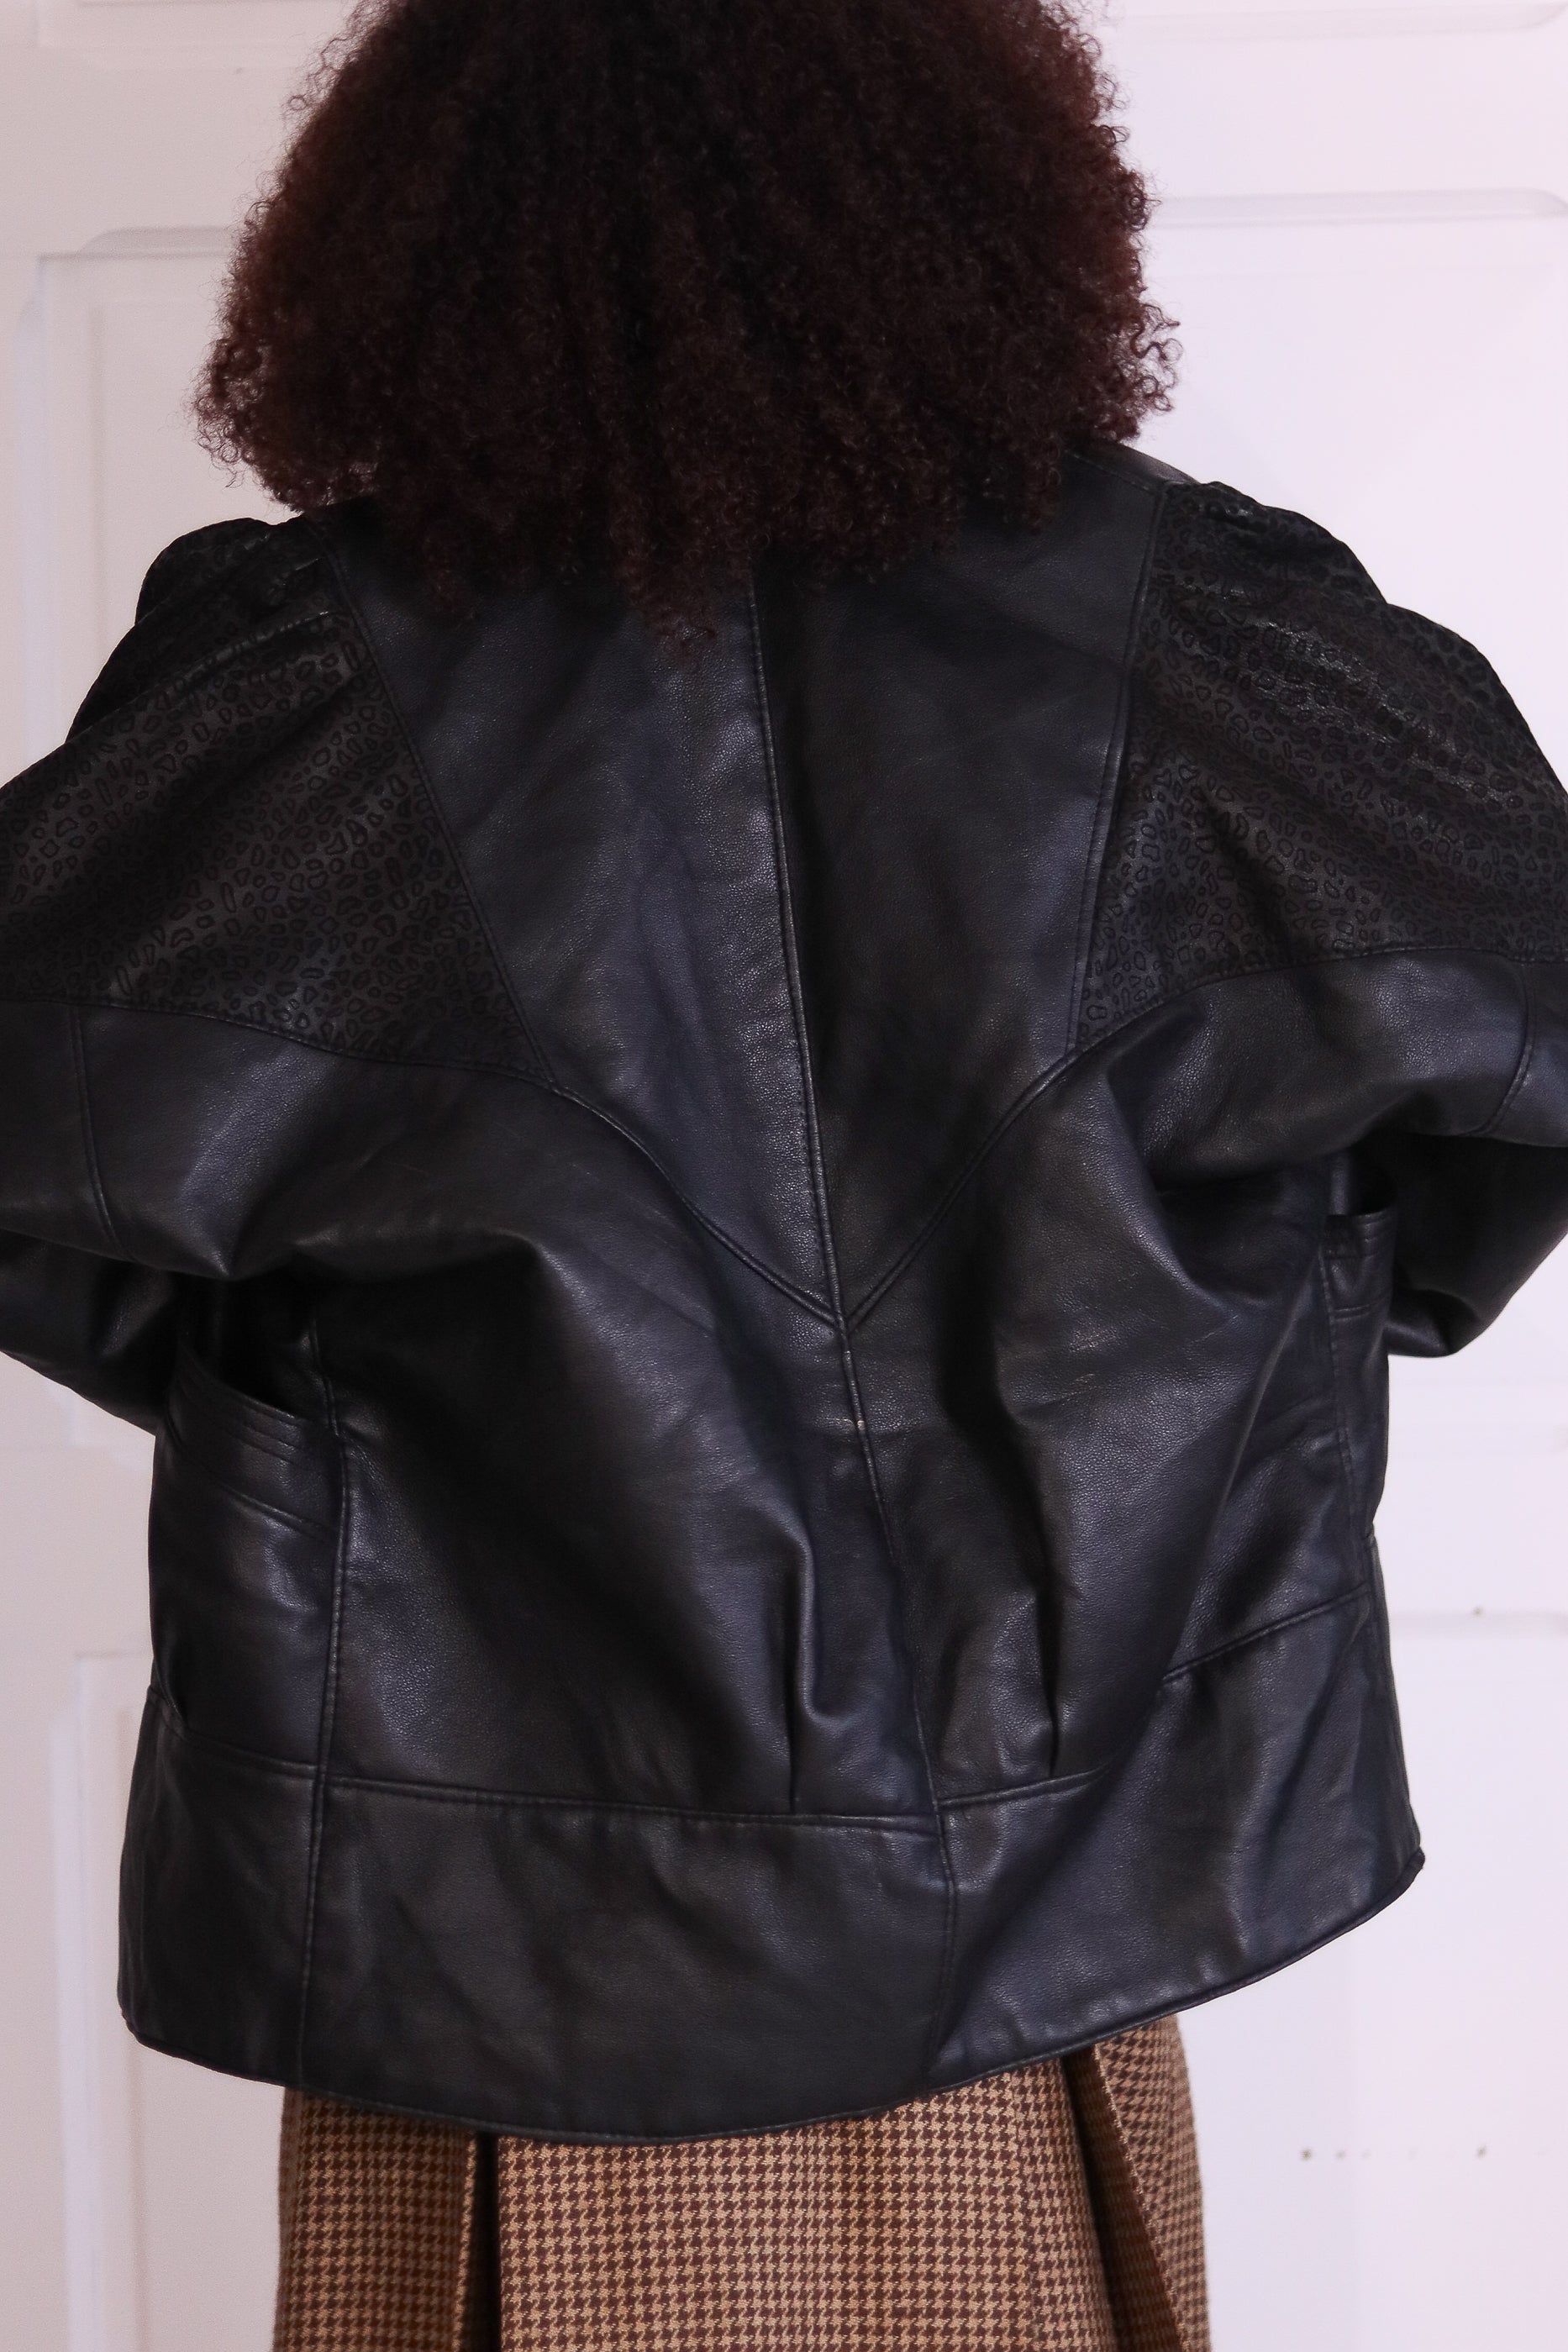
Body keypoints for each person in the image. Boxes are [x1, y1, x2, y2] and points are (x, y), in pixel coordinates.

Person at [3, 0, 1565, 2344]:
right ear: (978, 207)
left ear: (428, 236)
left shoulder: (311, 680)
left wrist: (316, 1398)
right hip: (1037, 1902)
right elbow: (1509, 1037)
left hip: (497, 1927)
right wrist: (1253, 1325)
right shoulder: (1201, 633)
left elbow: (56, 1151)